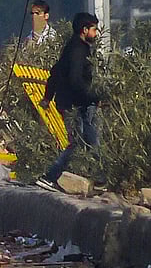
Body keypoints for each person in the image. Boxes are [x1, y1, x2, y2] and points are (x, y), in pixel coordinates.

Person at [35, 12, 104, 191]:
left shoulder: (73, 47)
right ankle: (51, 176)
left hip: (74, 103)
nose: (96, 33)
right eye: (94, 29)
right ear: (84, 30)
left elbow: (55, 72)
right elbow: (75, 80)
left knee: (89, 141)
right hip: (77, 104)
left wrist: (48, 97)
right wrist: (93, 97)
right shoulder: (78, 50)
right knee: (83, 142)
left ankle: (98, 179)